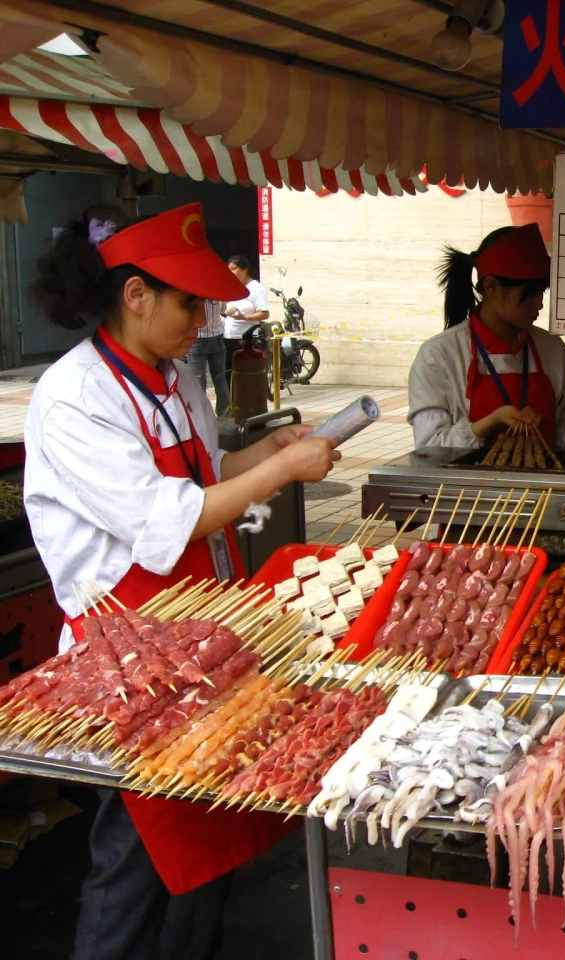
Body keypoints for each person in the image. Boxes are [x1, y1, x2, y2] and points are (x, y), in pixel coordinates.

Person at [23, 202, 341, 959]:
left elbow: (207, 472)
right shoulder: (75, 398)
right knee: (137, 859)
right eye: (188, 302)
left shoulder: (173, 378)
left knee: (209, 852)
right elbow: (167, 520)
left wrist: (269, 451)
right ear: (135, 296)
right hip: (129, 662)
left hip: (205, 647)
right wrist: (279, 476)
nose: (201, 319)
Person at [408, 223, 565, 452]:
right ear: (492, 286)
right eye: (530, 293)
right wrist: (489, 423)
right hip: (467, 488)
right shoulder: (439, 356)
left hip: (543, 486)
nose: (539, 303)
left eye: (542, 292)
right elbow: (429, 448)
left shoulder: (553, 350)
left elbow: (563, 422)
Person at [221, 254, 269, 385]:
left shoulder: (256, 288)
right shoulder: (232, 286)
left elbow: (264, 313)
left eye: (234, 268)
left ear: (245, 269)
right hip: (228, 336)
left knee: (245, 373)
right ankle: (231, 402)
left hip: (246, 338)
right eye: (229, 269)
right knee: (229, 373)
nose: (231, 272)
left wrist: (245, 317)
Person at [185, 296, 229, 416]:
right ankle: (224, 415)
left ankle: (201, 416)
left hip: (199, 337)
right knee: (220, 380)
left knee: (198, 381)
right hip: (217, 334)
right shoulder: (216, 292)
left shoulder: (197, 291)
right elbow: (223, 309)